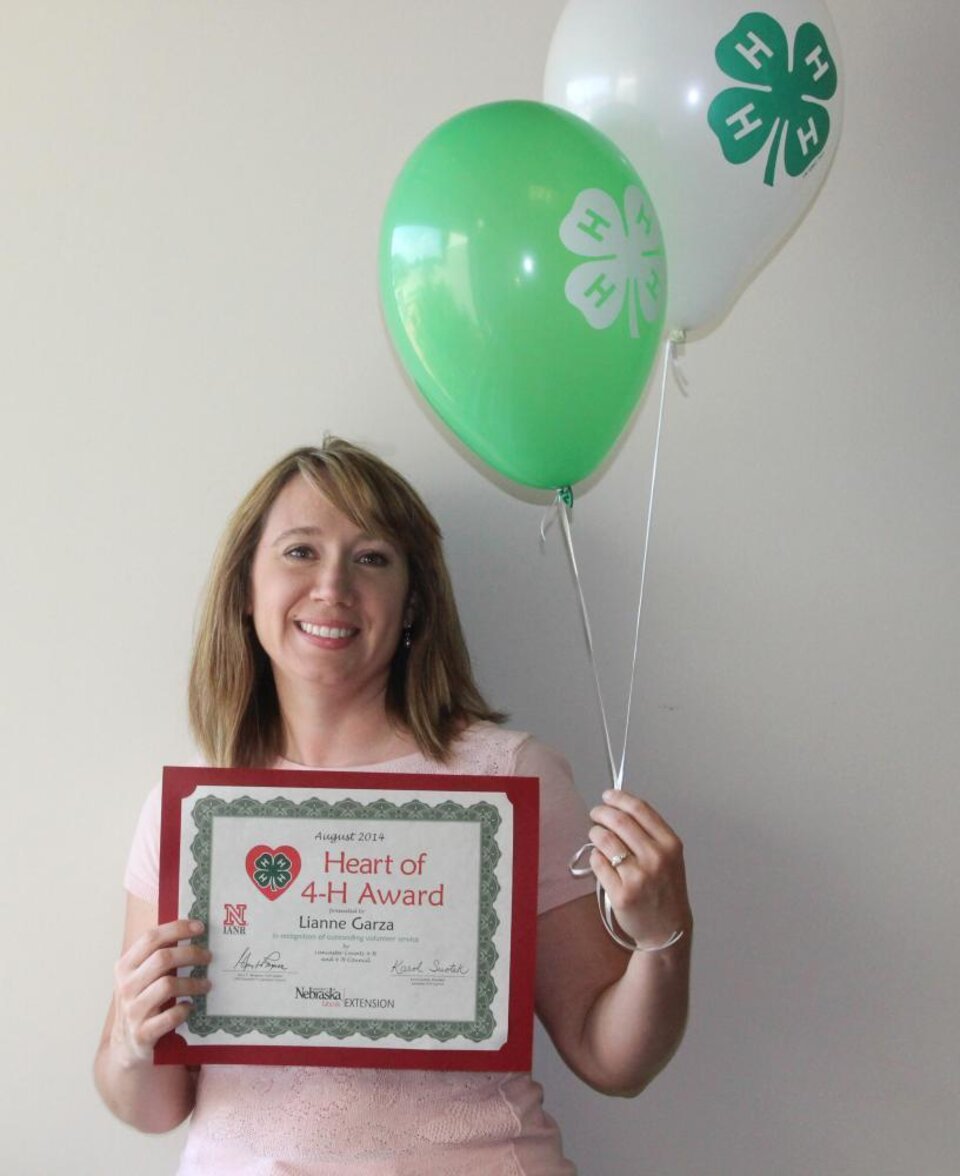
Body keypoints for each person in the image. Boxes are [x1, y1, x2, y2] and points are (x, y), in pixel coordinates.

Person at [95, 438, 692, 1174]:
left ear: (412, 602)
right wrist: (131, 1034)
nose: (333, 588)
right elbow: (153, 1106)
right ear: (245, 590)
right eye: (300, 552)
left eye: (371, 557)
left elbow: (613, 1060)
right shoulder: (195, 805)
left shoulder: (511, 780)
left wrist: (664, 939)